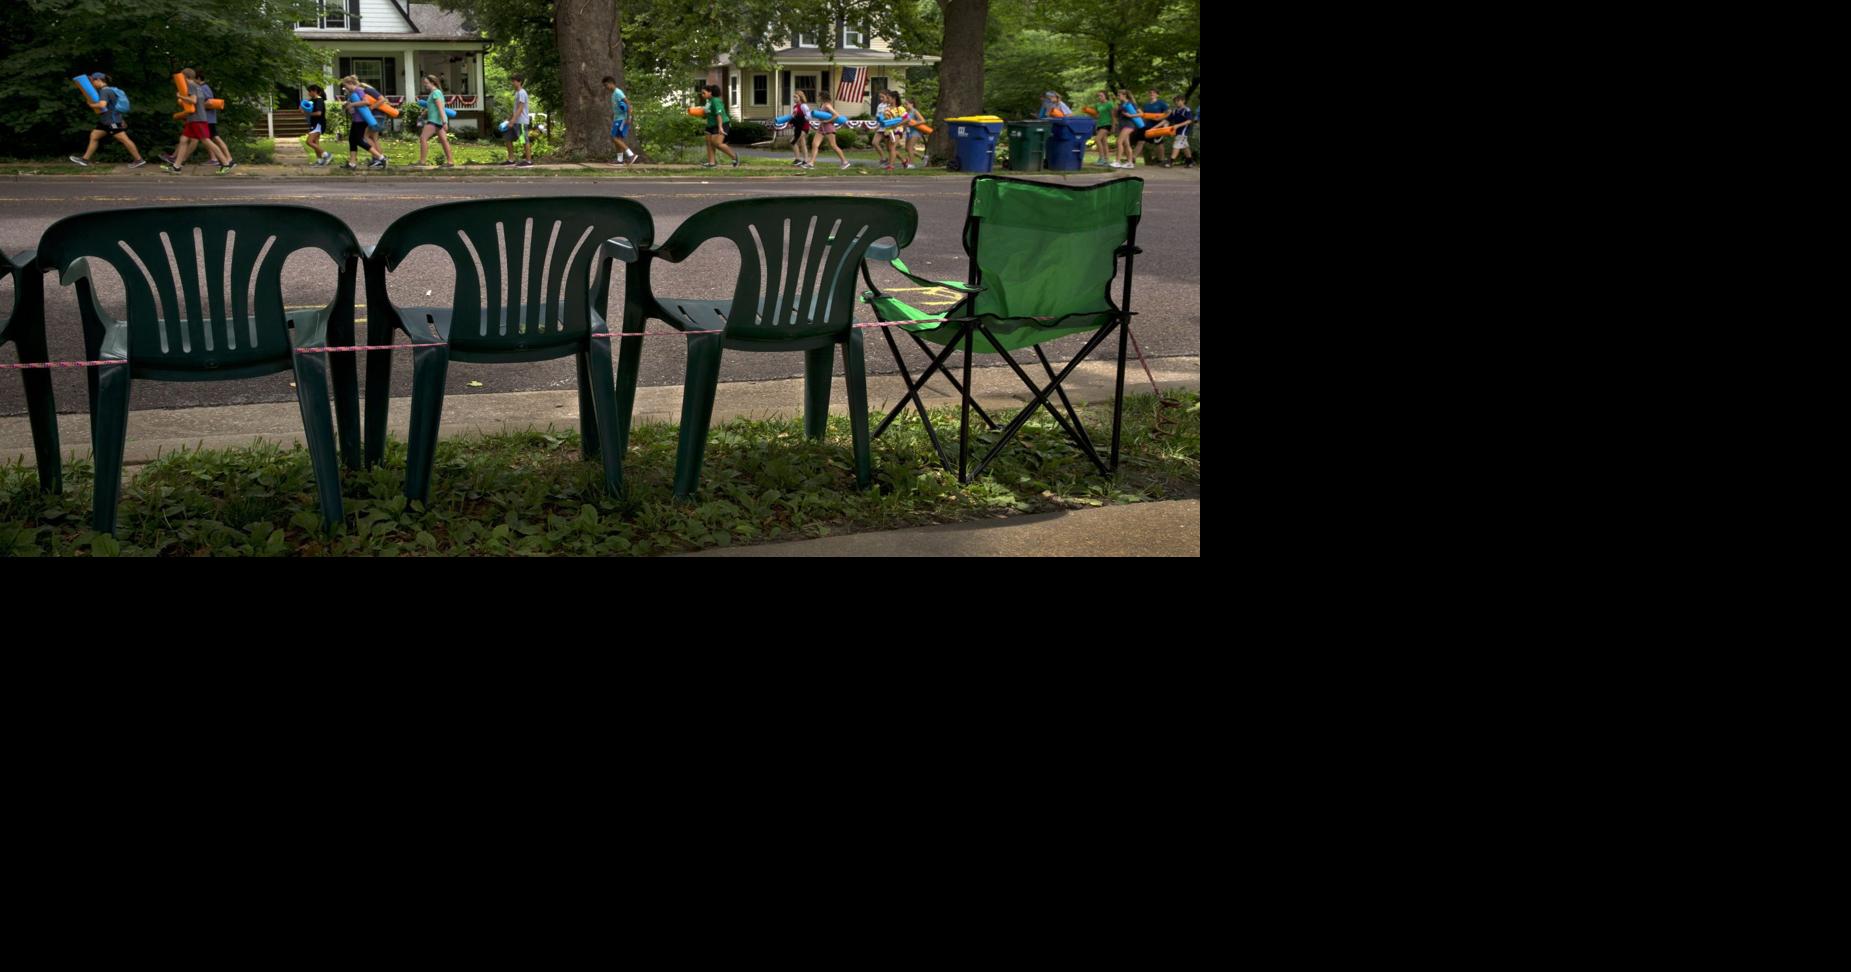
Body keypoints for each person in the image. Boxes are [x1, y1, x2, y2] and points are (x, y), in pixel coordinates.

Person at [69, 72, 146, 168]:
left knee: (124, 139)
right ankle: (85, 160)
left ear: (98, 80)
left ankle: (139, 160)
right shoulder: (109, 90)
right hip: (106, 121)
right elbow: (113, 107)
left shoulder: (105, 91)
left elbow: (102, 105)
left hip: (111, 122)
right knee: (94, 136)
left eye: (93, 81)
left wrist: (91, 105)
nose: (92, 84)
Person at [163, 68, 230, 173]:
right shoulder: (197, 86)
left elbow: (193, 100)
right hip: (193, 119)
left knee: (206, 141)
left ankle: (226, 163)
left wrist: (180, 96)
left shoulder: (192, 86)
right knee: (183, 140)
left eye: (182, 77)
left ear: (185, 77)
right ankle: (177, 167)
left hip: (198, 119)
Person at [337, 75, 386, 169]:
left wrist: (352, 104)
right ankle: (352, 163)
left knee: (359, 141)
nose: (345, 87)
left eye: (345, 85)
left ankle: (381, 158)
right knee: (352, 140)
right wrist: (348, 105)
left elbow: (366, 102)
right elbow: (355, 106)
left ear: (350, 83)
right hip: (356, 120)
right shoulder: (353, 93)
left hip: (361, 120)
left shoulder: (359, 90)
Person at [414, 74, 455, 167]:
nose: (425, 85)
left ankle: (422, 161)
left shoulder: (436, 93)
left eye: (426, 83)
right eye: (424, 83)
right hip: (437, 121)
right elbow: (433, 107)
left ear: (433, 83)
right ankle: (450, 162)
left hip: (434, 121)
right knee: (444, 141)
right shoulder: (433, 93)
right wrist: (424, 113)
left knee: (423, 138)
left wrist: (445, 122)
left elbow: (441, 108)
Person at [699, 83, 740, 168]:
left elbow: (719, 114)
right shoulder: (709, 101)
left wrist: (720, 127)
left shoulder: (716, 101)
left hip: (721, 124)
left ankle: (734, 157)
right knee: (709, 143)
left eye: (704, 93)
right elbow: (708, 113)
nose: (702, 95)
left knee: (717, 143)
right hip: (710, 125)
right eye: (702, 93)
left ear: (710, 92)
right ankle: (711, 163)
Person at [198, 71, 234, 169]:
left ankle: (228, 159)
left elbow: (210, 103)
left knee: (214, 139)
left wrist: (199, 107)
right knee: (208, 139)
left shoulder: (203, 88)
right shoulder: (203, 87)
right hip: (207, 118)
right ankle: (215, 159)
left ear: (198, 79)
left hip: (208, 119)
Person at [807, 93, 849, 170]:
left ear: (823, 97)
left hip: (829, 127)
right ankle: (811, 163)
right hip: (821, 127)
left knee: (833, 145)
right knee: (814, 144)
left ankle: (845, 162)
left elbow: (836, 115)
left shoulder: (827, 105)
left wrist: (827, 121)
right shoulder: (822, 105)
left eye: (819, 96)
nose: (818, 97)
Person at [503, 73, 534, 166]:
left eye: (514, 81)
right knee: (507, 138)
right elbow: (516, 109)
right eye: (512, 81)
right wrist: (509, 119)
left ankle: (528, 161)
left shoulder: (522, 93)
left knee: (524, 140)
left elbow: (520, 108)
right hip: (515, 121)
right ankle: (511, 159)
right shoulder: (517, 93)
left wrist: (513, 120)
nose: (512, 83)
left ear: (519, 82)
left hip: (521, 122)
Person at [605, 75, 637, 165]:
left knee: (614, 138)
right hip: (617, 119)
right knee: (618, 139)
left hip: (622, 119)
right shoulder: (614, 94)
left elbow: (628, 103)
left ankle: (631, 155)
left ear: (611, 83)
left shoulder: (618, 92)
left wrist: (629, 117)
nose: (606, 87)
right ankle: (620, 160)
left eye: (606, 85)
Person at [1112, 88, 1143, 168]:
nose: (1118, 97)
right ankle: (1130, 163)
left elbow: (1141, 113)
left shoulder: (1131, 103)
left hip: (1129, 125)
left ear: (1124, 95)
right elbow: (1117, 115)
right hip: (1122, 125)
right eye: (1118, 95)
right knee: (1126, 144)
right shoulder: (1121, 104)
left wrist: (1131, 115)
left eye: (1119, 95)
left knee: (1119, 142)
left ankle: (1118, 161)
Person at [303, 83, 332, 166]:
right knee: (315, 142)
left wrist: (308, 114)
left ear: (315, 91)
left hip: (318, 124)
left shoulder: (319, 100)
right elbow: (303, 108)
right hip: (314, 123)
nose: (308, 93)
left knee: (309, 142)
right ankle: (320, 160)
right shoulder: (313, 100)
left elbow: (319, 113)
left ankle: (326, 154)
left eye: (309, 91)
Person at [1163, 94, 1194, 168]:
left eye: (1178, 101)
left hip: (1183, 131)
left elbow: (1189, 121)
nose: (1176, 102)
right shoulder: (1175, 111)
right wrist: (1165, 126)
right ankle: (1190, 162)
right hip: (1177, 131)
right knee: (1185, 146)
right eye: (1175, 101)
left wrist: (1178, 125)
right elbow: (1168, 120)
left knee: (1176, 144)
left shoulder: (1186, 110)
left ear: (1183, 101)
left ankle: (1170, 161)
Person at [788, 89, 814, 168]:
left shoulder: (803, 106)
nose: (794, 99)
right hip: (798, 127)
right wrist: (791, 123)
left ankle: (800, 160)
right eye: (794, 97)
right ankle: (803, 160)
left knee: (793, 141)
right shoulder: (795, 107)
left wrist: (800, 118)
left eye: (796, 97)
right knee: (802, 143)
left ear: (800, 97)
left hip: (804, 127)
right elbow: (795, 117)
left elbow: (809, 117)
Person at [1090, 90, 1114, 165]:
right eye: (1098, 96)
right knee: (1104, 142)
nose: (1099, 97)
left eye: (1101, 96)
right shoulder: (1097, 105)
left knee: (1097, 139)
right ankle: (1107, 160)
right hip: (1099, 124)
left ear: (1105, 96)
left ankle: (1101, 158)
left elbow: (1113, 116)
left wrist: (1113, 126)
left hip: (1107, 124)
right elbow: (1097, 116)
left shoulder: (1109, 104)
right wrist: (1090, 113)